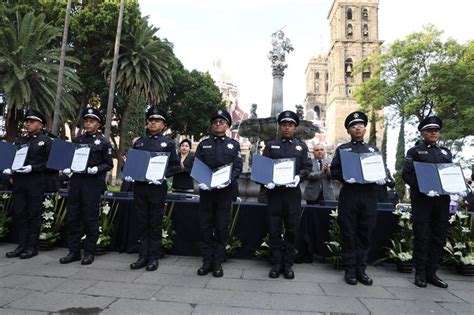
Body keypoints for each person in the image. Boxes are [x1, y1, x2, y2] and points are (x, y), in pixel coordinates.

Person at [330, 111, 385, 286]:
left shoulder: (373, 150)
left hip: (369, 195)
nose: (358, 128)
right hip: (350, 195)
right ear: (348, 130)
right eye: (354, 126)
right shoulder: (343, 150)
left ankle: (361, 270)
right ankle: (350, 270)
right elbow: (334, 170)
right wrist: (345, 177)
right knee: (348, 233)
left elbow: (381, 170)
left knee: (365, 233)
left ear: (365, 129)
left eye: (361, 125)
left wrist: (382, 177)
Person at [124, 106, 179, 271]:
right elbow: (132, 162)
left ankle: (153, 257)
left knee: (155, 222)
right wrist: (127, 172)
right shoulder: (139, 142)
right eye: (151, 120)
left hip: (157, 188)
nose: (153, 123)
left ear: (163, 124)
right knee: (141, 221)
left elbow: (175, 166)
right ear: (147, 123)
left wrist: (163, 176)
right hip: (140, 186)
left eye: (157, 120)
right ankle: (142, 256)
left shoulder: (168, 143)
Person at [402, 116, 452, 288]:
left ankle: (432, 272)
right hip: (423, 200)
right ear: (423, 133)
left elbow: (449, 174)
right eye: (430, 130)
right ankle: (420, 273)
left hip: (441, 201)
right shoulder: (414, 152)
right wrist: (423, 186)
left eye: (436, 130)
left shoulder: (446, 153)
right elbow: (407, 175)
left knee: (439, 237)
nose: (434, 133)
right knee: (422, 236)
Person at [59, 108, 113, 265]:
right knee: (73, 216)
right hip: (76, 181)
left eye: (92, 121)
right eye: (87, 121)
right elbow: (69, 159)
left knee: (90, 217)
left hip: (92, 182)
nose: (88, 123)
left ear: (99, 124)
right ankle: (73, 251)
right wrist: (67, 168)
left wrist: (97, 169)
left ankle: (89, 252)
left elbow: (108, 163)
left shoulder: (103, 142)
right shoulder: (77, 141)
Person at [263, 110, 312, 279]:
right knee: (274, 228)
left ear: (295, 128)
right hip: (275, 194)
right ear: (280, 126)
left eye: (290, 125)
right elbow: (263, 168)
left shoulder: (301, 146)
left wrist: (299, 177)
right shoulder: (271, 146)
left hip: (292, 193)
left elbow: (307, 167)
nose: (287, 127)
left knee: (292, 229)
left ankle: (288, 264)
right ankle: (276, 264)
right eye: (284, 124)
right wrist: (266, 181)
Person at [195, 109, 243, 278]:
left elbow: (238, 167)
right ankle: (207, 261)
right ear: (212, 124)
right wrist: (201, 180)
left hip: (224, 193)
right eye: (215, 121)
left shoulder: (234, 145)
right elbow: (197, 164)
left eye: (222, 122)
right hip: (207, 192)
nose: (218, 124)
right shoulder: (203, 144)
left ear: (227, 126)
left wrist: (229, 180)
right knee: (205, 226)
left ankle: (217, 263)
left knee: (222, 227)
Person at [4, 109, 52, 259]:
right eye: (27, 122)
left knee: (33, 214)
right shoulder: (21, 141)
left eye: (32, 122)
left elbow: (50, 163)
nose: (28, 124)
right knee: (20, 214)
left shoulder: (46, 141)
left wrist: (33, 168)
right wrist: (8, 168)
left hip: (35, 181)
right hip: (19, 181)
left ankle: (32, 246)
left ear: (41, 124)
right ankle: (21, 245)